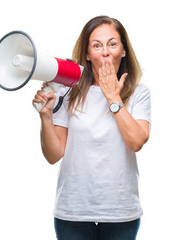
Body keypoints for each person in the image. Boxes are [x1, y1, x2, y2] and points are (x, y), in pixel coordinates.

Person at [33, 15, 151, 240]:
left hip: (120, 211)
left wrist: (112, 97)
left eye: (112, 44)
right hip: (73, 210)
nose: (105, 52)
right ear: (87, 54)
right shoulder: (69, 92)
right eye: (96, 45)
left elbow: (137, 141)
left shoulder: (139, 93)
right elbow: (53, 154)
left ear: (123, 50)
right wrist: (46, 117)